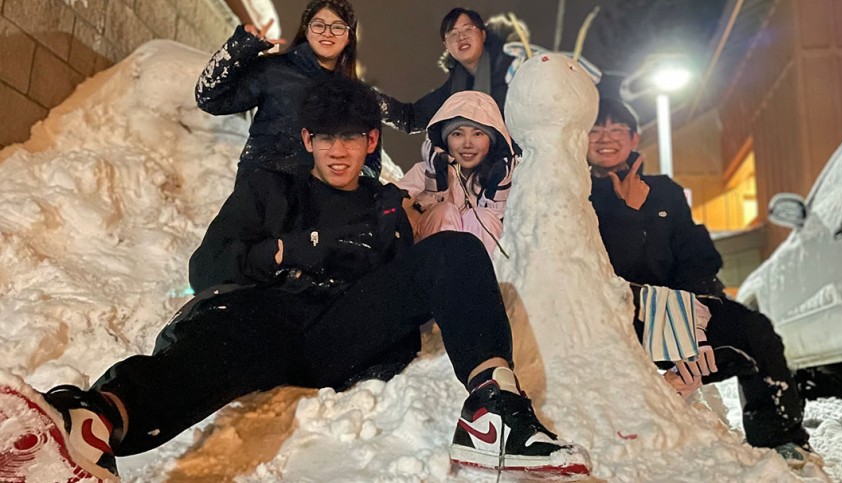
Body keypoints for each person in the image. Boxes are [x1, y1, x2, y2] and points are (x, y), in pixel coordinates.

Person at [20, 77, 591, 481]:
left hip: (336, 334)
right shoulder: (270, 189)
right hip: (260, 315)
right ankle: (93, 422)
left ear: (372, 141)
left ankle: (495, 411)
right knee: (222, 346)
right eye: (325, 137)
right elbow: (208, 269)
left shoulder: (391, 205)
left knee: (455, 251)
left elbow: (423, 279)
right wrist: (304, 249)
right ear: (306, 141)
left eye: (351, 138)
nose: (338, 152)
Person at [585, 97, 821, 469]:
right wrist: (624, 211)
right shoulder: (576, 193)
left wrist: (696, 313)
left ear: (634, 138)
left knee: (753, 331)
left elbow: (695, 256)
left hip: (678, 311)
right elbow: (599, 269)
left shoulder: (665, 192)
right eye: (596, 129)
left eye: (617, 130)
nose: (606, 138)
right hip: (616, 316)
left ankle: (781, 438)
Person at [195, 0, 382, 181]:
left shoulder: (361, 97)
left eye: (338, 27)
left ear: (349, 36)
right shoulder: (274, 70)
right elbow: (209, 98)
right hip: (258, 199)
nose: (327, 33)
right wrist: (240, 47)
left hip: (320, 207)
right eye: (318, 25)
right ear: (306, 30)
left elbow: (370, 166)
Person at [396, 91, 515, 254]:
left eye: (478, 134)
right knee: (444, 211)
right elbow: (392, 204)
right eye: (457, 134)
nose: (467, 144)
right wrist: (421, 204)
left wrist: (499, 190)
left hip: (488, 264)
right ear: (446, 140)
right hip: (434, 264)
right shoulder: (425, 172)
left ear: (492, 139)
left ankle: (482, 277)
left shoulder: (508, 176)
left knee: (482, 218)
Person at [377, 8, 516, 134]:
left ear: (483, 34)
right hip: (480, 159)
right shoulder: (453, 92)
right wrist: (370, 99)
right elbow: (411, 118)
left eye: (467, 29)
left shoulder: (513, 66)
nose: (461, 37)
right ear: (446, 46)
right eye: (453, 34)